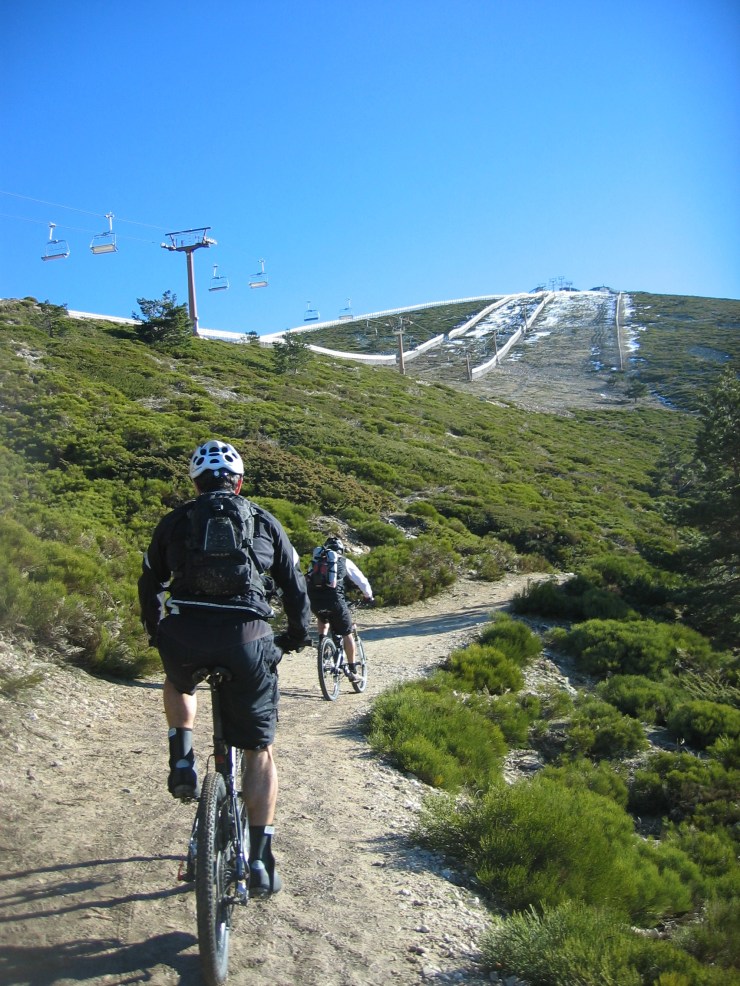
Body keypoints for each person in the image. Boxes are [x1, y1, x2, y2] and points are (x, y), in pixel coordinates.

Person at [138, 439, 311, 896]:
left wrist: (158, 634)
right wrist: (296, 636)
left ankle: (182, 757)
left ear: (195, 483)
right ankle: (260, 859)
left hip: (185, 636)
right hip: (247, 640)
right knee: (259, 751)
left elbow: (149, 582)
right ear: (238, 483)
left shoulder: (175, 521)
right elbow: (294, 586)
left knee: (179, 682)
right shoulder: (263, 520)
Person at [306, 536, 374, 681]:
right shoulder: (343, 561)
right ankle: (352, 670)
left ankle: (323, 643)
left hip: (314, 601)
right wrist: (368, 596)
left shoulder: (316, 561)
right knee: (347, 633)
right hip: (335, 602)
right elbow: (362, 581)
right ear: (341, 550)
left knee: (322, 617)